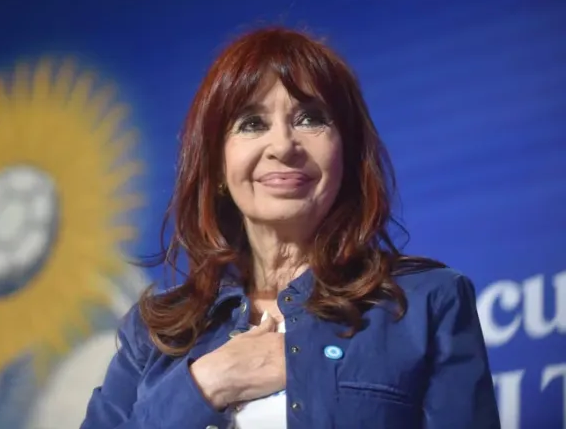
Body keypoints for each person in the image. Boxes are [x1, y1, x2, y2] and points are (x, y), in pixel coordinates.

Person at [80, 27, 500, 429]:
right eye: (252, 123)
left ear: (346, 153)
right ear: (218, 166)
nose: (282, 146)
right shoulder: (156, 332)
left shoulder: (427, 301)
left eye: (310, 118)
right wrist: (211, 381)